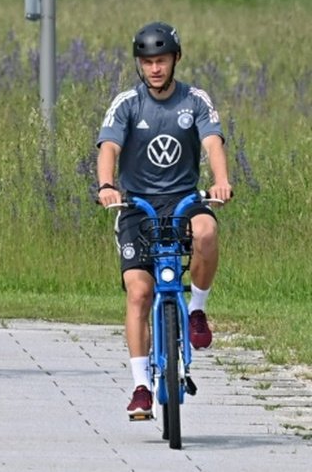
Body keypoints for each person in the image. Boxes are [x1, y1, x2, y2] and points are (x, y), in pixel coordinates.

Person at [95, 21, 233, 419]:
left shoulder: (195, 100)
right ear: (140, 65)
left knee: (207, 230)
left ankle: (197, 310)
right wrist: (107, 185)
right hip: (137, 206)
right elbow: (109, 147)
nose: (155, 68)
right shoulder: (127, 103)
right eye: (148, 62)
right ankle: (140, 385)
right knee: (139, 292)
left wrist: (220, 182)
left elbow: (213, 143)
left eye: (162, 60)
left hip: (184, 199)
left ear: (176, 60)